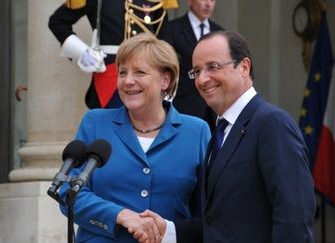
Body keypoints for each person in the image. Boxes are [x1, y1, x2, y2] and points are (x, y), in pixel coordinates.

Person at [134, 31, 316, 243]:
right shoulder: (220, 133)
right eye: (197, 71)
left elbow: (294, 217)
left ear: (244, 67)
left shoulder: (271, 123)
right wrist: (168, 231)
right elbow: (220, 222)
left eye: (213, 67)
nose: (202, 79)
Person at [56, 33, 211, 243]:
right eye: (122, 73)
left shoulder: (197, 131)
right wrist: (121, 215)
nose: (128, 81)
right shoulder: (95, 123)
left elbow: (206, 213)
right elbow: (69, 193)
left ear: (165, 80)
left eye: (139, 72)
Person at [48, 0, 177, 109]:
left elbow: (164, 41)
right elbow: (58, 22)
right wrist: (83, 53)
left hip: (147, 74)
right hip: (110, 75)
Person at [159, 0, 222, 131]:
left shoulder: (220, 33)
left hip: (214, 110)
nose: (208, 4)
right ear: (189, 1)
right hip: (183, 106)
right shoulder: (172, 30)